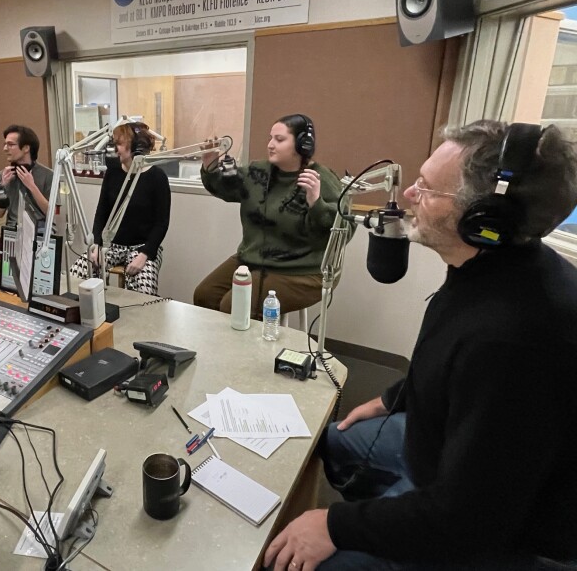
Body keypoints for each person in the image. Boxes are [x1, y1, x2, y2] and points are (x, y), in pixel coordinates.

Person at [262, 120, 577, 571]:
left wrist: (335, 525)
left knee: (305, 565)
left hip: (493, 533)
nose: (409, 194)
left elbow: (467, 519)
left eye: (427, 189)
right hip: (453, 458)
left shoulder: (514, 339)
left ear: (483, 217)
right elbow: (453, 361)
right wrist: (394, 398)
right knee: (326, 442)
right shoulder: (493, 268)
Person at [193, 114, 347, 318]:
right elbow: (227, 189)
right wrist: (210, 166)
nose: (271, 145)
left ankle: (249, 348)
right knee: (205, 295)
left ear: (303, 145)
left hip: (302, 271)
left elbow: (343, 230)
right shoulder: (259, 172)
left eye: (279, 139)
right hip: (253, 260)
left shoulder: (320, 179)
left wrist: (315, 202)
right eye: (270, 138)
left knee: (234, 306)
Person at [70, 120, 171, 295]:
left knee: (143, 296)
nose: (114, 149)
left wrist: (145, 255)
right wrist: (96, 246)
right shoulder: (113, 172)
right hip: (111, 245)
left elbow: (161, 223)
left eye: (119, 144)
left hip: (142, 248)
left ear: (136, 147)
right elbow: (102, 212)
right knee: (74, 278)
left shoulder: (157, 177)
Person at [0, 124, 54, 230]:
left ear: (26, 148)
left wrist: (31, 186)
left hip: (40, 232)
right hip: (12, 231)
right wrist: (3, 186)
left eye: (10, 144)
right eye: (5, 144)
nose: (5, 149)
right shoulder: (4, 175)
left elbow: (53, 214)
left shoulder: (48, 175)